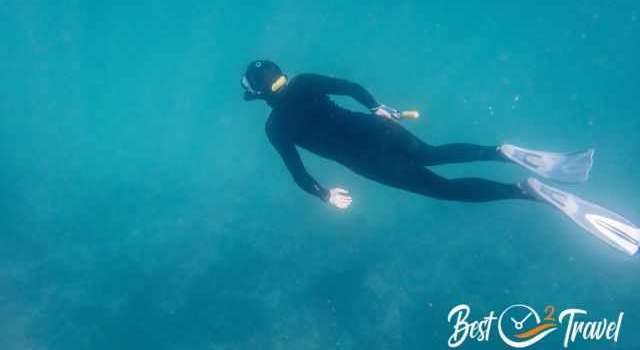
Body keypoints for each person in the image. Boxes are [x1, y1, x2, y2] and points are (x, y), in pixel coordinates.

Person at [241, 60, 639, 255]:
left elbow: (297, 174)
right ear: (282, 76)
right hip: (377, 129)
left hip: (369, 160)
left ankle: (526, 191)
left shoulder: (275, 128)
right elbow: (350, 86)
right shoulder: (306, 81)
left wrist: (325, 195)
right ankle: (499, 151)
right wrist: (379, 107)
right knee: (433, 154)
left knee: (446, 190)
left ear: (258, 97)